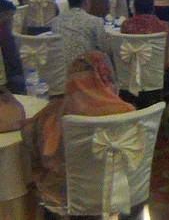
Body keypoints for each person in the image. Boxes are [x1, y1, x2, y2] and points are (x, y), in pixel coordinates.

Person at [21, 51, 137, 219]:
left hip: (70, 195)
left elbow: (30, 136)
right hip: (119, 190)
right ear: (108, 76)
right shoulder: (127, 113)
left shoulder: (56, 112)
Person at [119, 0, 169, 109]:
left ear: (134, 9)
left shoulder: (125, 26)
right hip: (159, 78)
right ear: (153, 9)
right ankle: (158, 107)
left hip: (131, 76)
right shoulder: (166, 27)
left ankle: (144, 107)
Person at [51, 0, 108, 65]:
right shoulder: (96, 21)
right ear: (87, 2)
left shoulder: (55, 22)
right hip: (85, 68)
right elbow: (104, 49)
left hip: (60, 67)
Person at [0, 0, 24, 94]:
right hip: (10, 82)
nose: (13, 20)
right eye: (11, 16)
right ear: (3, 16)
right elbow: (15, 64)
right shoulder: (5, 34)